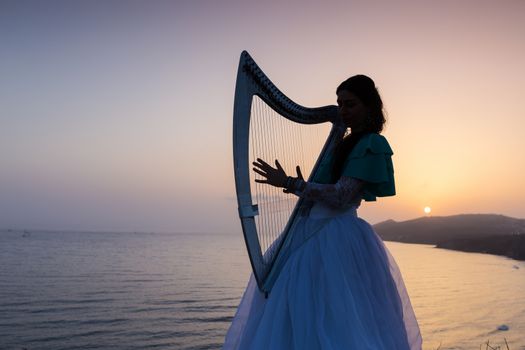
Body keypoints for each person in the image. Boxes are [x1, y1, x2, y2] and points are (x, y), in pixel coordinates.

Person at [223, 75, 422, 350]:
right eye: (340, 104)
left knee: (338, 323)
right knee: (302, 317)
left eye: (350, 104)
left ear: (370, 107)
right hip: (311, 235)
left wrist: (292, 184)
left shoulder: (371, 144)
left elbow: (342, 196)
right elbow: (326, 188)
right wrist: (303, 187)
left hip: (335, 239)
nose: (342, 111)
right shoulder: (344, 142)